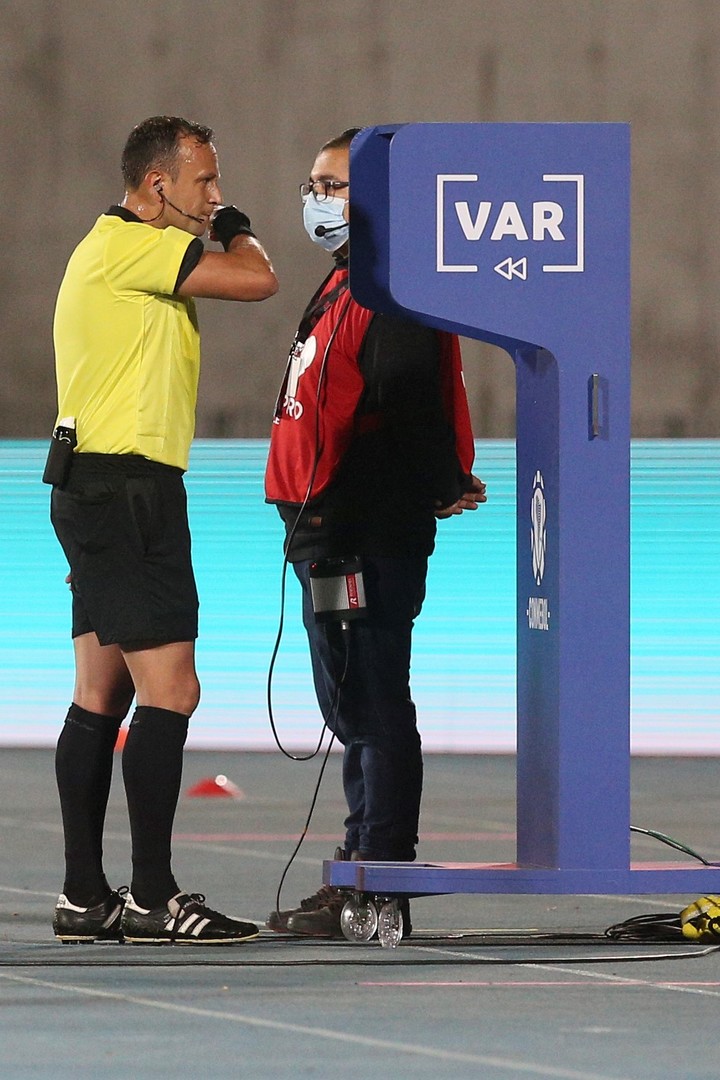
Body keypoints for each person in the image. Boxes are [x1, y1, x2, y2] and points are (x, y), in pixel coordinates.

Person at [48, 115, 277, 944]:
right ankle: (153, 897)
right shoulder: (135, 245)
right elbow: (257, 282)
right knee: (173, 691)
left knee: (100, 694)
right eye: (204, 182)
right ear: (159, 187)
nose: (212, 195)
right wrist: (236, 228)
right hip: (128, 490)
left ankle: (84, 896)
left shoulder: (103, 251)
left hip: (93, 484)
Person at [264, 128, 486, 938]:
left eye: (333, 184)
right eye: (315, 181)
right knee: (351, 701)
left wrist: (439, 484)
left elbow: (406, 400)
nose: (316, 197)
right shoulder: (343, 285)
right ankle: (362, 868)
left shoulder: (392, 292)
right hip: (328, 526)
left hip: (362, 527)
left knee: (372, 702)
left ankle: (377, 883)